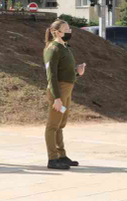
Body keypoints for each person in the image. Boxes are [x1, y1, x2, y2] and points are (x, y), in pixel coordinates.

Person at [44, 19, 86, 170]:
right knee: (52, 125)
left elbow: (66, 72)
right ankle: (52, 158)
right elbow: (51, 75)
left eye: (69, 29)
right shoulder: (53, 49)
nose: (69, 31)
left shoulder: (65, 47)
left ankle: (61, 155)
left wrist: (77, 73)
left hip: (67, 90)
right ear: (56, 32)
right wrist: (56, 98)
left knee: (60, 125)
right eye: (66, 29)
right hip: (59, 91)